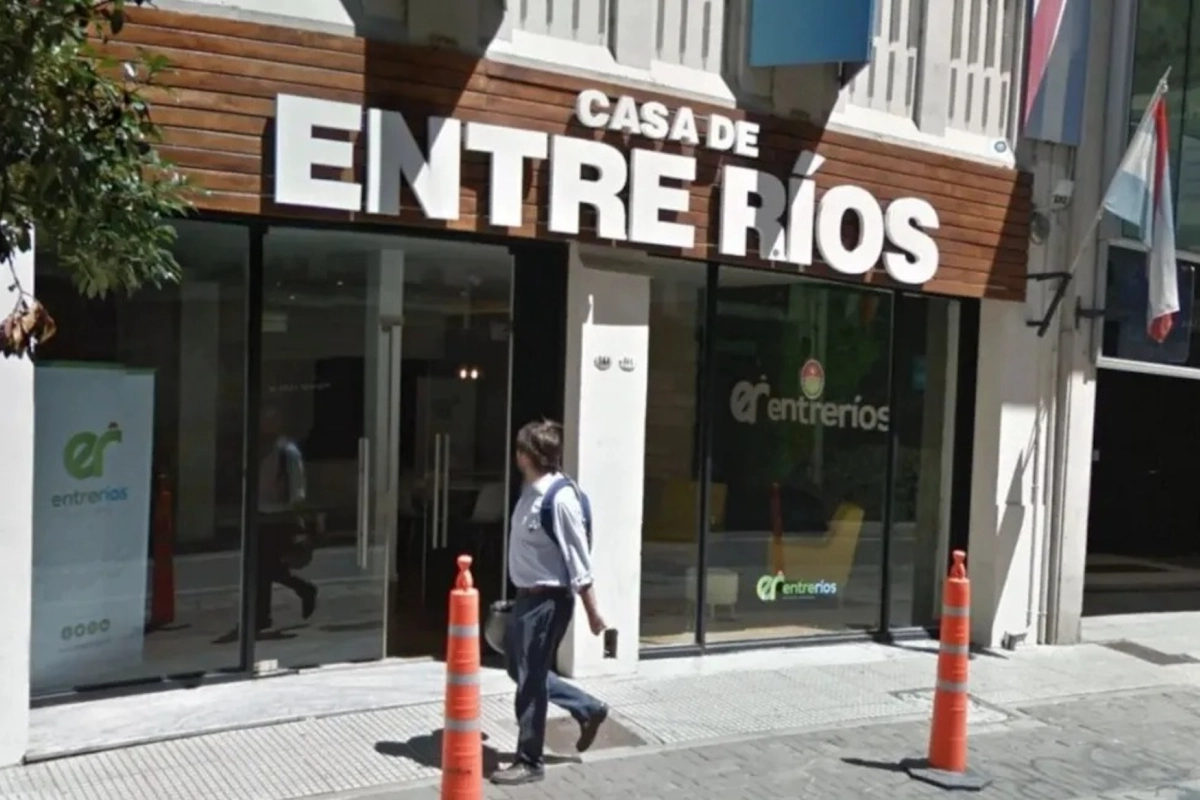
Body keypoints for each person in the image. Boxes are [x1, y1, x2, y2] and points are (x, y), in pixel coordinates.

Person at [491, 419, 609, 786]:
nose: (515, 455)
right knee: (521, 670)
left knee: (530, 681)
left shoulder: (559, 500)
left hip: (547, 602)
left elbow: (579, 561)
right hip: (527, 599)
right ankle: (587, 708)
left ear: (527, 455)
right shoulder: (530, 490)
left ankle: (530, 760)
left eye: (519, 449)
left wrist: (593, 613)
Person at [254, 406, 317, 631]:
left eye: (269, 421)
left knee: (265, 568)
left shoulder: (287, 451)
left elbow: (298, 489)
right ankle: (263, 614)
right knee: (262, 568)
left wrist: (297, 517)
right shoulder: (261, 449)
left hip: (281, 517)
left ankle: (301, 591)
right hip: (262, 515)